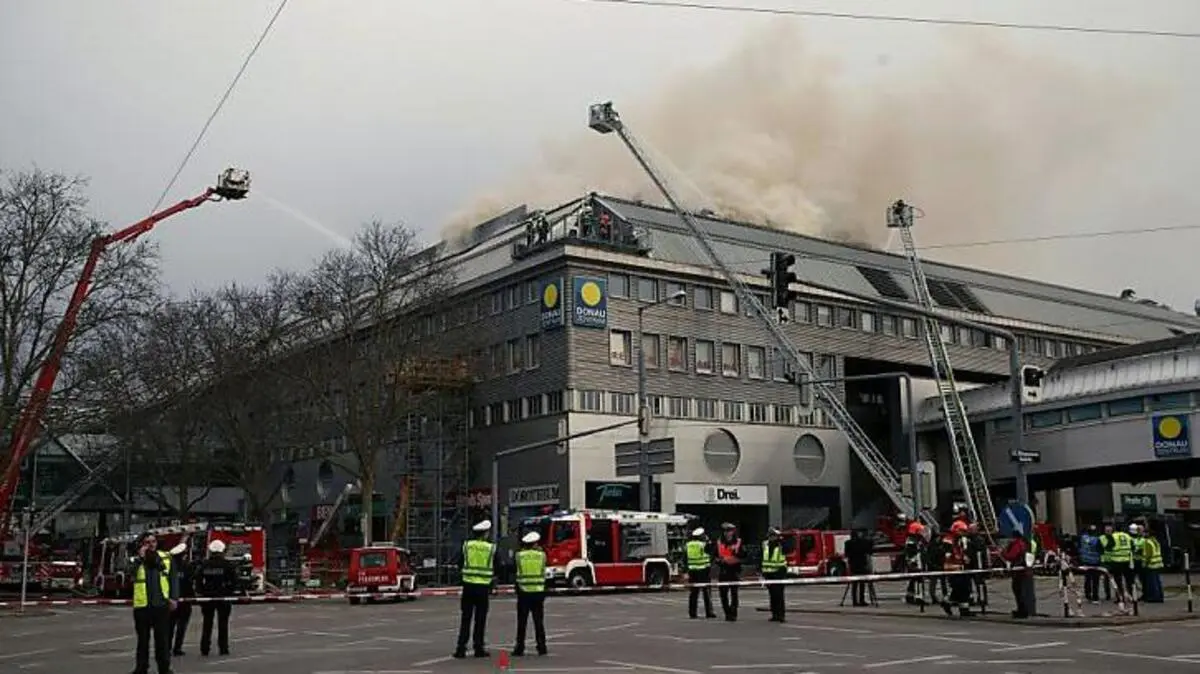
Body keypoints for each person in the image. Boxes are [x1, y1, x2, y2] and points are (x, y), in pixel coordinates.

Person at [130, 532, 179, 674]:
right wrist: (140, 558)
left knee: (162, 640)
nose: (151, 545)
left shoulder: (165, 557)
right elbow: (130, 575)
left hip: (161, 604)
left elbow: (173, 578)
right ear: (141, 545)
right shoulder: (136, 560)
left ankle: (164, 668)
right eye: (147, 542)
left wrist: (174, 598)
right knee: (143, 641)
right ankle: (141, 668)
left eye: (153, 541)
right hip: (142, 606)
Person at [454, 519, 498, 659]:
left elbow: (459, 563)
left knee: (465, 618)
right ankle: (478, 648)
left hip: (468, 587)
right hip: (483, 588)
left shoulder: (467, 546)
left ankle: (461, 649)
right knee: (480, 619)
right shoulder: (491, 548)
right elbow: (497, 566)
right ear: (485, 533)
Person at [196, 539, 238, 657]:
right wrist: (229, 593)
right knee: (223, 624)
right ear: (222, 551)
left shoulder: (204, 565)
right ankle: (223, 648)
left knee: (207, 623)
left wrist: (202, 592)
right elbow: (234, 582)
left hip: (207, 597)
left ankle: (205, 648)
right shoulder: (227, 565)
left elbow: (198, 580)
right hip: (223, 597)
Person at [512, 531, 548, 656]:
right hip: (538, 592)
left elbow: (515, 571)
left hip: (524, 592)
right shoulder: (542, 555)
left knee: (522, 622)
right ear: (535, 543)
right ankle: (542, 647)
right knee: (538, 621)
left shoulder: (519, 556)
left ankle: (519, 647)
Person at [1000, 531, 1036, 619]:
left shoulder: (1017, 544)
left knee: (1018, 591)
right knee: (1021, 591)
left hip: (1018, 572)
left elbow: (1011, 556)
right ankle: (1023, 609)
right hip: (1024, 570)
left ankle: (1022, 610)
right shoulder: (1024, 544)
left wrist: (1003, 552)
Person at [715, 523, 745, 622]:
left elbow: (743, 555)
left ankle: (733, 613)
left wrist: (736, 555)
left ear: (733, 532)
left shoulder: (738, 542)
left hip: (734, 570)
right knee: (723, 594)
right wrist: (720, 561)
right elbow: (715, 555)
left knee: (734, 594)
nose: (727, 533)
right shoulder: (719, 542)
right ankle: (727, 613)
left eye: (729, 531)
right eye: (725, 531)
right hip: (723, 570)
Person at [684, 527, 716, 619]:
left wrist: (686, 570)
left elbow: (685, 559)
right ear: (701, 536)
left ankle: (692, 613)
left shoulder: (688, 545)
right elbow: (712, 553)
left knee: (693, 593)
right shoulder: (704, 544)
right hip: (703, 570)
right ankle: (709, 612)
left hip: (692, 571)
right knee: (707, 592)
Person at [167, 543, 193, 657]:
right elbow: (190, 583)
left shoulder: (168, 567)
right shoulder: (187, 567)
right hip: (184, 602)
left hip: (171, 600)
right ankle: (177, 648)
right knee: (181, 626)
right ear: (183, 555)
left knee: (169, 626)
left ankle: (167, 647)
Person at [1101, 522, 1134, 603]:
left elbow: (1109, 547)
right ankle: (1131, 595)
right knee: (1129, 580)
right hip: (1127, 560)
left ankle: (1120, 597)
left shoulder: (1113, 536)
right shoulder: (1127, 536)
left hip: (1116, 561)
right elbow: (1133, 547)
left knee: (1118, 581)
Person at [761, 528, 788, 622]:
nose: (772, 538)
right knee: (772, 595)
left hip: (779, 573)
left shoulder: (781, 544)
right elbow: (762, 557)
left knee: (779, 595)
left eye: (774, 536)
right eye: (770, 536)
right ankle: (775, 615)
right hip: (768, 574)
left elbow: (788, 548)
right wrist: (762, 573)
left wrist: (782, 539)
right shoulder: (765, 544)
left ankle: (781, 615)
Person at [844, 528, 872, 607]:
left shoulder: (848, 543)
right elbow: (868, 552)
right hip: (862, 564)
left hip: (853, 565)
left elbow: (846, 554)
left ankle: (854, 601)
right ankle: (861, 600)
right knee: (862, 583)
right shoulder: (863, 542)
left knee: (854, 584)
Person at [1077, 525, 1105, 603]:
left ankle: (1088, 595)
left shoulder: (1083, 538)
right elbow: (1101, 550)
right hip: (1095, 561)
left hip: (1086, 561)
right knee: (1095, 580)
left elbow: (1079, 548)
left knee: (1087, 578)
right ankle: (1095, 596)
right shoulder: (1097, 539)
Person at [1141, 524, 1165, 603]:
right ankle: (1160, 596)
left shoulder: (1147, 542)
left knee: (1152, 582)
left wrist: (1144, 563)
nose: (1143, 534)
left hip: (1151, 564)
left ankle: (1154, 597)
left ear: (1147, 534)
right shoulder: (1155, 541)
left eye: (1144, 533)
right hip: (1158, 563)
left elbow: (1148, 555)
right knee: (1157, 581)